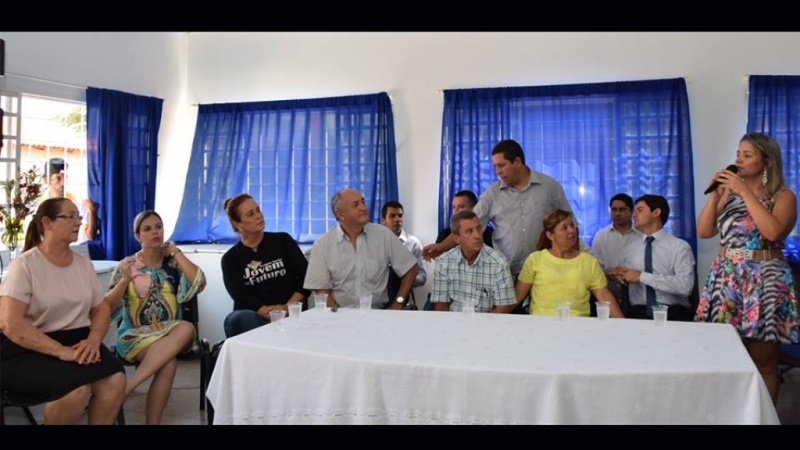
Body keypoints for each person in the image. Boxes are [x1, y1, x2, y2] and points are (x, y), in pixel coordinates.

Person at [0, 198, 126, 424]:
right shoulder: (25, 265)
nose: (77, 222)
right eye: (69, 217)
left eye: (78, 216)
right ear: (47, 223)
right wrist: (60, 351)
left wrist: (94, 340)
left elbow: (101, 309)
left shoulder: (83, 264)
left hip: (79, 340)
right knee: (74, 390)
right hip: (29, 348)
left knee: (114, 381)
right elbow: (10, 323)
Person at [694, 132, 798, 405]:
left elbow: (773, 231)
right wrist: (716, 196)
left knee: (764, 361)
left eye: (747, 155)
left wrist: (745, 192)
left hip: (764, 279)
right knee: (725, 357)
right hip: (727, 278)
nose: (738, 160)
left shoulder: (783, 196)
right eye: (738, 154)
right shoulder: (728, 194)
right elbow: (704, 231)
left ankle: (764, 419)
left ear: (767, 162)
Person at [104, 210, 207, 425]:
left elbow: (200, 282)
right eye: (148, 229)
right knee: (168, 364)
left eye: (158, 227)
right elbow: (107, 308)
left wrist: (176, 252)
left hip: (172, 333)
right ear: (138, 236)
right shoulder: (126, 265)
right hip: (136, 335)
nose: (155, 232)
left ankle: (126, 389)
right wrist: (124, 281)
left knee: (187, 328)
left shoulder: (173, 263)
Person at [423, 139, 574, 280]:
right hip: (506, 274)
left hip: (544, 271)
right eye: (495, 166)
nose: (497, 171)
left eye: (501, 165)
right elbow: (466, 226)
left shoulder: (549, 187)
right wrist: (442, 247)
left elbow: (570, 225)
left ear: (517, 162)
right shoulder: (493, 193)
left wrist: (574, 260)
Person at [304, 188, 418, 310]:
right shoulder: (322, 245)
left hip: (377, 314)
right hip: (341, 314)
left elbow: (411, 267)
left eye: (363, 202)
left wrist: (398, 303)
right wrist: (338, 318)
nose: (363, 208)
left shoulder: (383, 235)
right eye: (356, 205)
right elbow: (322, 290)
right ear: (340, 214)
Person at [221, 193, 310, 338]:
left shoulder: (283, 241)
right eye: (250, 214)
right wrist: (265, 312)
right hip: (255, 319)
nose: (258, 216)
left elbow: (307, 278)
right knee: (241, 318)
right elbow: (240, 296)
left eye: (258, 210)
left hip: (290, 312)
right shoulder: (231, 259)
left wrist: (287, 307)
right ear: (237, 224)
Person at [515, 209, 624, 318]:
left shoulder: (589, 262)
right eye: (564, 228)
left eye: (572, 225)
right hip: (542, 322)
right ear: (550, 235)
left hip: (577, 323)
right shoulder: (535, 259)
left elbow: (603, 295)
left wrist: (623, 323)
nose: (571, 231)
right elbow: (517, 296)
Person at [608, 195, 695, 321]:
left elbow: (685, 286)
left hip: (673, 314)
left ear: (656, 212)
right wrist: (616, 276)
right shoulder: (629, 250)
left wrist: (641, 276)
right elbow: (624, 281)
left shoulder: (679, 247)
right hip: (637, 314)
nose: (634, 215)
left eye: (639, 210)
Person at [430, 210, 516, 313]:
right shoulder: (444, 262)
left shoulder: (499, 262)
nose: (477, 236)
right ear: (456, 239)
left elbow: (503, 308)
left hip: (487, 321)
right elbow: (441, 306)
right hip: (454, 321)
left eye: (478, 229)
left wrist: (482, 324)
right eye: (469, 231)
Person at [590, 193, 640, 302]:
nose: (617, 214)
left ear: (631, 211)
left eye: (622, 209)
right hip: (608, 294)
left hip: (638, 293)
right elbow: (594, 267)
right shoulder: (601, 236)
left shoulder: (642, 235)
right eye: (614, 210)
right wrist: (608, 272)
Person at [381, 200, 426, 291]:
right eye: (392, 216)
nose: (397, 219)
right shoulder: (376, 242)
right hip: (377, 295)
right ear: (383, 220)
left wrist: (404, 281)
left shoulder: (413, 243)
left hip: (402, 295)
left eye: (400, 216)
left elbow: (422, 276)